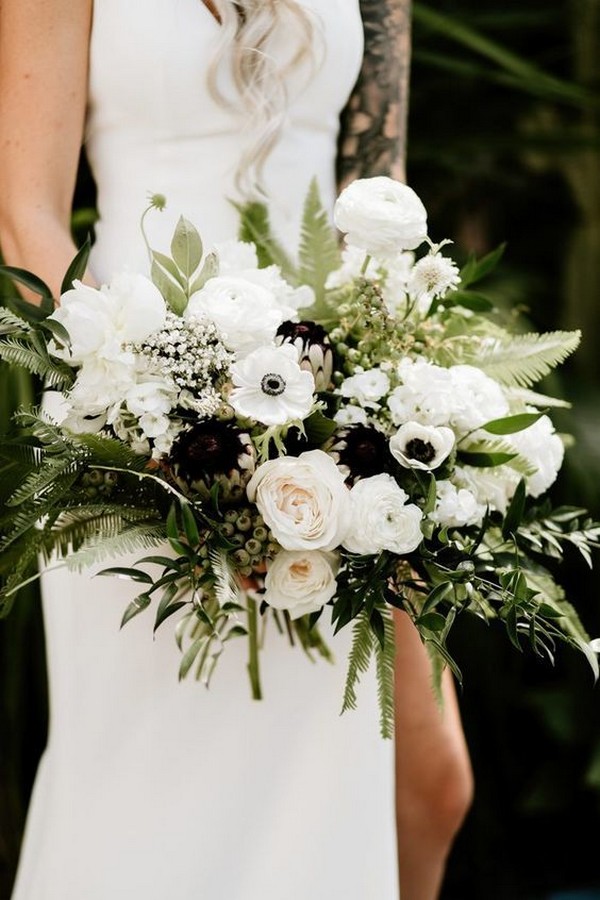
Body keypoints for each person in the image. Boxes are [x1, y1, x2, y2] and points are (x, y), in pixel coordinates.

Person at [0, 2, 473, 898]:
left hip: (335, 437)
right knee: (161, 809)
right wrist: (155, 419)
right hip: (134, 431)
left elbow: (379, 195)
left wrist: (383, 401)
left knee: (388, 790)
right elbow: (27, 220)